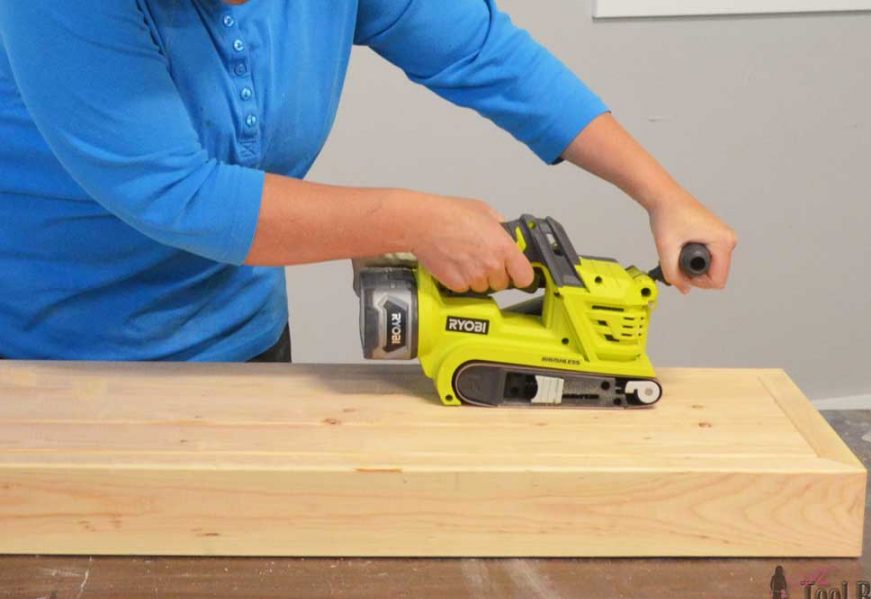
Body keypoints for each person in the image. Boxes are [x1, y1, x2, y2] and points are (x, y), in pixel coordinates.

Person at [0, 0, 737, 363]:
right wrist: (406, 220)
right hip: (55, 352)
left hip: (241, 337)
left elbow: (483, 52)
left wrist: (661, 194)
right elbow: (175, 193)